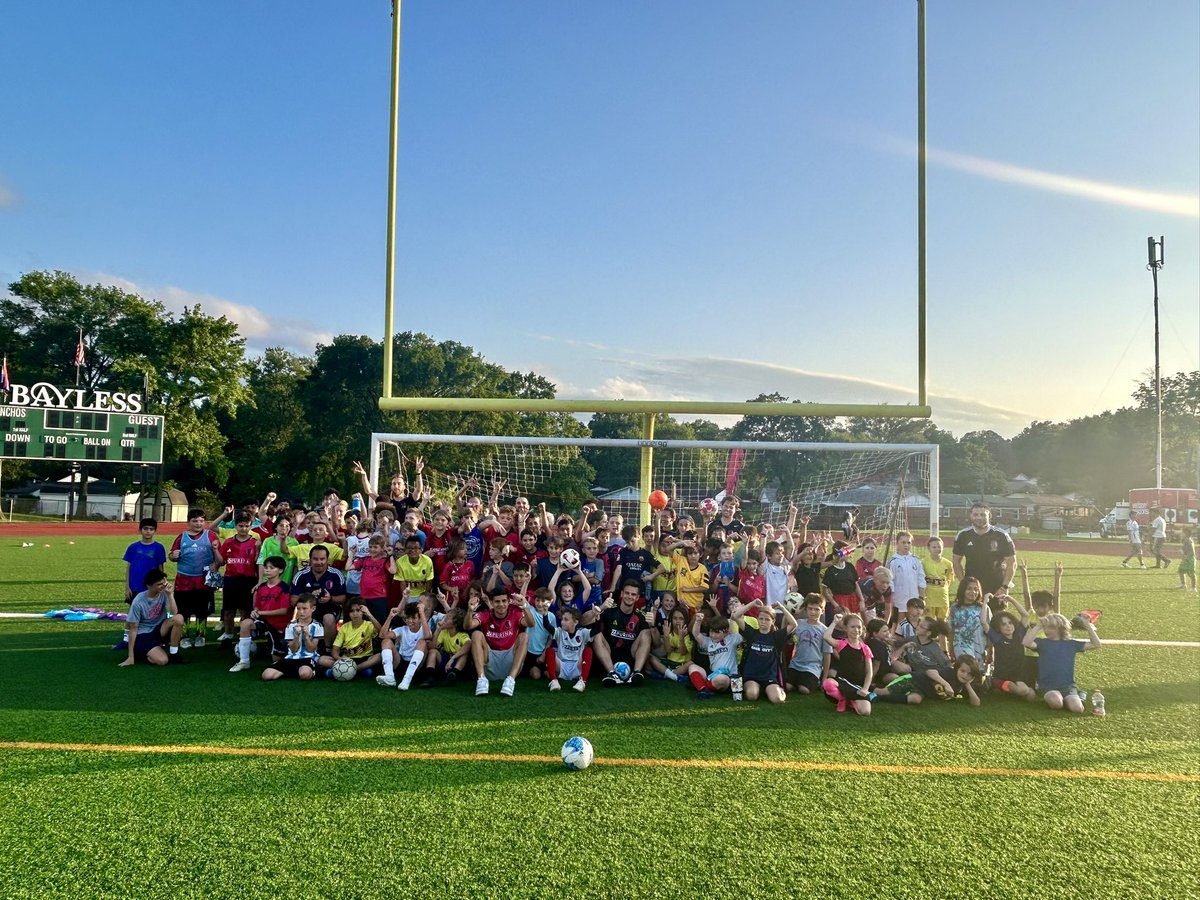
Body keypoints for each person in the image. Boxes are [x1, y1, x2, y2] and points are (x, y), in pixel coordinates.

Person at [1023, 612, 1102, 712]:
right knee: (1056, 703)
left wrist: (1087, 625)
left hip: (1067, 686)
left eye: (1050, 627)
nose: (1046, 630)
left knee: (1077, 709)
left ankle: (1080, 696)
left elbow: (1096, 644)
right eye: (1045, 627)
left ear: (1060, 628)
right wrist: (1039, 626)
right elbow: (1026, 642)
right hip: (1047, 686)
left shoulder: (1071, 644)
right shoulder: (1042, 642)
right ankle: (1065, 698)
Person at [169, 508, 224, 649]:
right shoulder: (182, 537)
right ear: (188, 522)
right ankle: (185, 636)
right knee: (183, 610)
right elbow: (172, 555)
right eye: (194, 521)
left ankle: (201, 635)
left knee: (202, 611)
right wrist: (173, 556)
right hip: (183, 580)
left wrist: (215, 564)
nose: (198, 524)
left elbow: (221, 560)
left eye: (201, 521)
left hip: (203, 581)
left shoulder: (211, 536)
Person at [466, 591, 535, 697]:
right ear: (492, 603)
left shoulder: (515, 613)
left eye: (504, 601)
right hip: (490, 660)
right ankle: (481, 679)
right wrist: (470, 610)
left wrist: (525, 606)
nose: (501, 604)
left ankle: (511, 681)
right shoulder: (485, 614)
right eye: (497, 602)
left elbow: (531, 624)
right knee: (476, 634)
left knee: (524, 636)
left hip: (510, 661)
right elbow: (468, 626)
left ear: (508, 602)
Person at [230, 556, 291, 673]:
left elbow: (284, 610)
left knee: (276, 661)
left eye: (271, 568)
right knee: (246, 623)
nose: (267, 570)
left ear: (280, 570)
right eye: (266, 567)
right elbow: (257, 606)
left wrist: (261, 612)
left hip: (278, 626)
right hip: (263, 621)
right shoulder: (261, 588)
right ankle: (244, 661)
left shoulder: (284, 588)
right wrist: (255, 611)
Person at [118, 570, 186, 667]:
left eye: (164, 583)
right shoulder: (138, 601)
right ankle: (140, 653)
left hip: (159, 628)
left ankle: (174, 654)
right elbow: (133, 628)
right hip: (144, 634)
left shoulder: (164, 593)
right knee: (162, 661)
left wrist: (170, 595)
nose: (163, 586)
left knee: (179, 618)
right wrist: (130, 657)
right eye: (159, 584)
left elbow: (173, 613)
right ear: (149, 586)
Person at [733, 600, 794, 703]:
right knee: (752, 696)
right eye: (761, 619)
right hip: (752, 676)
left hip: (769, 677)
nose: (763, 622)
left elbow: (793, 624)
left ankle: (776, 690)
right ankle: (758, 689)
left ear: (773, 621)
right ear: (757, 619)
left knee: (777, 699)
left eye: (767, 619)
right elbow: (736, 616)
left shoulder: (776, 637)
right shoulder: (751, 633)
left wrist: (782, 608)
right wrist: (752, 604)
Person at [593, 581, 653, 686]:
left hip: (631, 655)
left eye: (633, 594)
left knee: (646, 633)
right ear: (621, 594)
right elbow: (584, 621)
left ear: (638, 597)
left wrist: (653, 626)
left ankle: (636, 673)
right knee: (596, 634)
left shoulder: (641, 616)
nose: (630, 596)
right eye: (627, 593)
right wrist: (601, 608)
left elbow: (656, 643)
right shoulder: (609, 610)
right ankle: (612, 674)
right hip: (609, 654)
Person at [952, 502, 1016, 599]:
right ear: (970, 516)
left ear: (989, 515)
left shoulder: (1001, 535)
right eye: (975, 514)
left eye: (983, 514)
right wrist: (963, 584)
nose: (979, 518)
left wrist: (1004, 587)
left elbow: (1012, 564)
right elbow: (956, 562)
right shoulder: (963, 535)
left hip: (997, 587)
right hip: (973, 589)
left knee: (998, 614)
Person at [292, 544, 347, 649]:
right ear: (310, 559)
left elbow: (343, 598)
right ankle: (303, 649)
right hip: (308, 609)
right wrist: (309, 597)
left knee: (328, 618)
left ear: (327, 559)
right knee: (302, 616)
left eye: (322, 559)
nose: (319, 562)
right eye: (315, 559)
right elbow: (293, 600)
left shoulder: (336, 574)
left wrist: (330, 599)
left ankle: (329, 650)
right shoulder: (301, 575)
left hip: (330, 607)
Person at [217, 511, 260, 644]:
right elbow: (222, 561)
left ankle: (244, 635)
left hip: (248, 580)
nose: (244, 529)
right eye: (241, 526)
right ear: (235, 526)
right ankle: (228, 634)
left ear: (250, 526)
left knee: (245, 611)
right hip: (231, 579)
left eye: (247, 526)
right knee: (228, 610)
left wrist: (258, 550)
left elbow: (258, 563)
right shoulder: (228, 542)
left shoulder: (255, 543)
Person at [820, 612, 873, 715]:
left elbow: (869, 672)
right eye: (852, 627)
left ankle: (850, 701)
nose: (856, 630)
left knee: (865, 712)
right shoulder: (841, 644)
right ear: (846, 628)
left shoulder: (865, 648)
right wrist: (835, 622)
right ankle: (843, 699)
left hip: (858, 687)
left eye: (859, 627)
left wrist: (865, 689)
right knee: (827, 683)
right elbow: (826, 636)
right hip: (843, 683)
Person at [262, 594, 322, 681]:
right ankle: (293, 670)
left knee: (305, 674)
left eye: (304, 609)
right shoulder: (291, 626)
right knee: (266, 676)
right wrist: (296, 636)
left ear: (313, 609)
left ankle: (313, 671)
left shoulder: (317, 626)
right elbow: (293, 649)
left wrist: (306, 636)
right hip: (291, 658)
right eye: (298, 609)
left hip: (308, 658)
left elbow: (311, 649)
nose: (301, 612)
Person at [377, 599, 431, 690]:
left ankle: (407, 680)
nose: (410, 621)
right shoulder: (402, 629)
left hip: (417, 668)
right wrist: (390, 617)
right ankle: (389, 677)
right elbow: (382, 635)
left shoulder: (424, 629)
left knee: (422, 642)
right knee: (386, 641)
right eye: (407, 618)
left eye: (413, 618)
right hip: (400, 663)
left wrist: (421, 612)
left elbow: (428, 636)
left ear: (420, 619)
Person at [686, 612, 742, 700]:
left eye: (717, 633)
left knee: (721, 679)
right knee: (692, 667)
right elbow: (696, 634)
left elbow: (734, 633)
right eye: (711, 631)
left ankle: (701, 686)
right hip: (712, 674)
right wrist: (698, 621)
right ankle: (703, 689)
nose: (713, 635)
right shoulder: (708, 641)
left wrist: (731, 620)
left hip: (728, 677)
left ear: (725, 632)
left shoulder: (731, 640)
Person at [785, 594, 831, 696]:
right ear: (805, 609)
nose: (813, 612)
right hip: (796, 664)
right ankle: (798, 680)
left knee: (803, 690)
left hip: (812, 667)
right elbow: (784, 632)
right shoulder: (798, 623)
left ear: (822, 611)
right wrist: (786, 612)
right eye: (810, 609)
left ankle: (815, 680)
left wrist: (825, 678)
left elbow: (827, 655)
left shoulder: (825, 631)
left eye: (816, 609)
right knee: (787, 686)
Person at [327, 600, 382, 679]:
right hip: (346, 660)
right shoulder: (344, 627)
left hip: (364, 659)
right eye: (352, 611)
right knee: (322, 659)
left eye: (358, 610)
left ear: (363, 612)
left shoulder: (369, 625)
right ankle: (357, 672)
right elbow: (335, 650)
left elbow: (381, 632)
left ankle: (341, 671)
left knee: (379, 656)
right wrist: (341, 660)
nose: (355, 614)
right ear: (348, 614)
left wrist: (369, 615)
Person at [545, 607, 593, 692]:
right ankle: (554, 681)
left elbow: (596, 631)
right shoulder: (559, 632)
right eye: (562, 619)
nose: (562, 622)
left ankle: (582, 682)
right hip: (561, 666)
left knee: (588, 650)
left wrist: (596, 614)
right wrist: (545, 614)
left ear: (575, 622)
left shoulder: (582, 632)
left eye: (566, 620)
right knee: (549, 651)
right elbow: (547, 626)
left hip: (577, 667)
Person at [122, 517, 166, 605]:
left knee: (151, 611)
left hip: (152, 585)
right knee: (134, 611)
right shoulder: (133, 547)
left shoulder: (159, 548)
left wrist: (161, 586)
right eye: (145, 529)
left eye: (151, 529)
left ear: (155, 531)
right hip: (135, 586)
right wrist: (127, 587)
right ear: (140, 530)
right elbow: (129, 568)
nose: (148, 531)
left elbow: (160, 569)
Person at [422, 607, 470, 686]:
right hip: (446, 661)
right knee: (433, 651)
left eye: (447, 618)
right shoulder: (444, 632)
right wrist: (437, 630)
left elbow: (468, 645)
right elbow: (433, 646)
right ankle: (430, 677)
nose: (444, 620)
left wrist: (453, 658)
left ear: (455, 623)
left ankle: (453, 675)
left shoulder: (462, 635)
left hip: (456, 663)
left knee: (464, 655)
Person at [949, 577, 990, 665]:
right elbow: (952, 630)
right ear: (963, 590)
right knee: (965, 672)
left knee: (979, 674)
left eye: (976, 589)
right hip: (961, 648)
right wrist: (951, 648)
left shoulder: (983, 608)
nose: (973, 592)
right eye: (969, 589)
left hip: (979, 648)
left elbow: (990, 631)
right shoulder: (955, 608)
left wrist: (990, 651)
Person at [887, 531, 926, 623]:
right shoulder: (893, 561)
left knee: (914, 623)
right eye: (903, 542)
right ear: (897, 543)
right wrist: (891, 599)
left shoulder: (916, 560)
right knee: (900, 624)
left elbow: (921, 579)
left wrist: (921, 597)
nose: (906, 545)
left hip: (914, 598)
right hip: (899, 599)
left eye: (909, 542)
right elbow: (890, 582)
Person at [921, 536, 955, 620]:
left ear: (943, 547)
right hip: (929, 599)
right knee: (928, 623)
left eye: (939, 547)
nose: (937, 549)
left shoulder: (948, 564)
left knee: (942, 624)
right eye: (934, 547)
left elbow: (949, 580)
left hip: (942, 599)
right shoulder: (923, 562)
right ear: (929, 548)